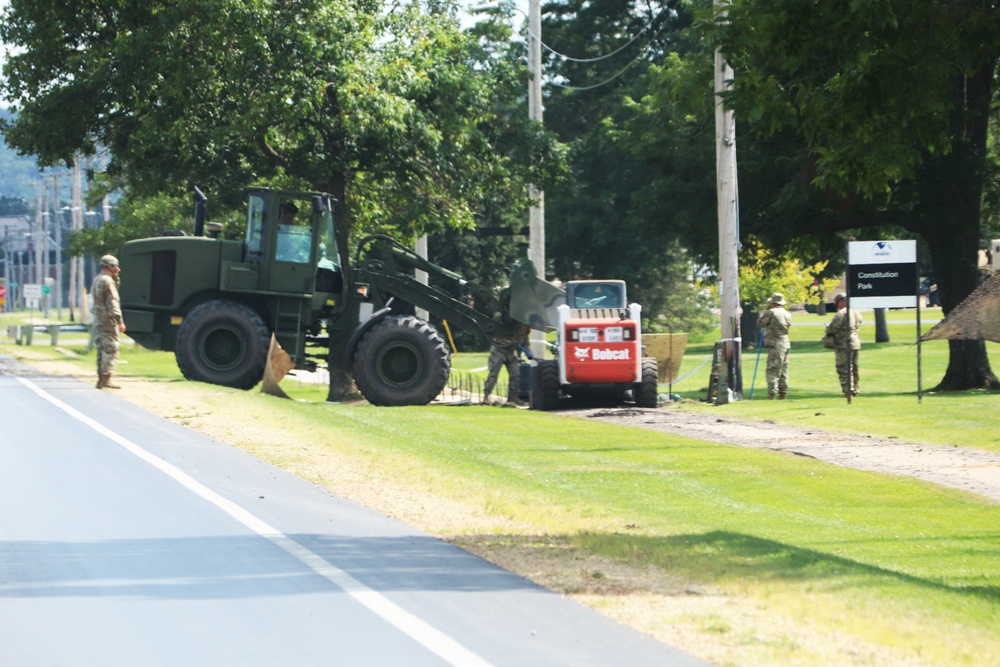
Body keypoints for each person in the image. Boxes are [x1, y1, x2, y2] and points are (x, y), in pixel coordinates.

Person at [91, 254, 126, 389]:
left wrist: (115, 277)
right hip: (108, 319)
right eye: (115, 266)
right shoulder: (108, 281)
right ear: (110, 267)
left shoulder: (97, 279)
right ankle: (106, 378)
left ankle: (101, 377)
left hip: (99, 318)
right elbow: (113, 302)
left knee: (101, 346)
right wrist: (120, 321)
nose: (117, 269)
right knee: (111, 347)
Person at [483, 323, 530, 406]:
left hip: (511, 352)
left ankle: (513, 398)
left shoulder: (525, 327)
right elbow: (495, 333)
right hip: (498, 350)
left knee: (515, 374)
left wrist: (529, 354)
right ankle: (486, 396)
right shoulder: (507, 320)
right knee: (493, 374)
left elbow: (524, 340)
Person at [756, 292, 792, 399]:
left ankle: (772, 393)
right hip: (785, 343)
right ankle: (783, 393)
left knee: (772, 369)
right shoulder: (787, 313)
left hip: (775, 343)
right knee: (783, 370)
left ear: (773, 303)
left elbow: (760, 323)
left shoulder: (771, 313)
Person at [826, 292, 862, 397]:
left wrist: (827, 329)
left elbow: (833, 328)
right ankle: (855, 389)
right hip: (855, 342)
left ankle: (848, 391)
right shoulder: (856, 312)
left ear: (841, 301)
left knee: (844, 368)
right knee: (854, 368)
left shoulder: (841, 313)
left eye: (838, 303)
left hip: (843, 344)